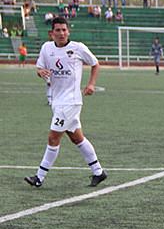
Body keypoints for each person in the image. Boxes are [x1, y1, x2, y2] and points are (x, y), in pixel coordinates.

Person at [26, 17, 107, 188]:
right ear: (51, 33)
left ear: (68, 31)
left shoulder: (77, 48)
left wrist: (91, 84)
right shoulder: (47, 48)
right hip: (57, 101)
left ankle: (39, 177)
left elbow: (95, 63)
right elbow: (39, 68)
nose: (62, 33)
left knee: (53, 137)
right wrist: (41, 72)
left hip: (71, 102)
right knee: (77, 138)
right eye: (58, 30)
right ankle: (98, 172)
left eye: (64, 30)